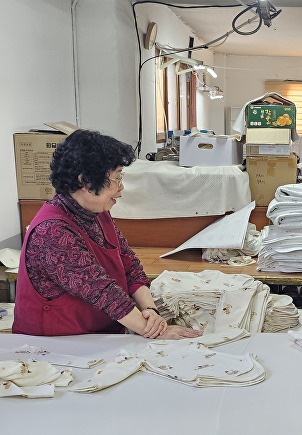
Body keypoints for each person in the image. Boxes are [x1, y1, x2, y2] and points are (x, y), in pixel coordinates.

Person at [13, 129, 201, 340]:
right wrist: (157, 331)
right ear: (85, 182)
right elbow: (102, 292)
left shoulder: (97, 214)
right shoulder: (53, 232)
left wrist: (151, 311)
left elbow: (131, 268)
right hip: (54, 346)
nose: (121, 188)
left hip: (98, 336)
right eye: (116, 178)